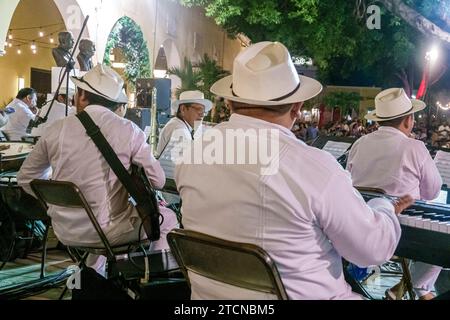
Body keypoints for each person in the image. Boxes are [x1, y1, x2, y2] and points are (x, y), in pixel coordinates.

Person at [175, 41, 413, 300]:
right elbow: (372, 250)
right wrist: (385, 208)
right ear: (297, 108)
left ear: (230, 102)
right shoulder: (314, 167)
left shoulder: (192, 153)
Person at [17, 64, 178, 275]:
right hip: (107, 231)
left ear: (83, 95)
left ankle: (94, 279)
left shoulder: (55, 129)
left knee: (105, 220)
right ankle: (146, 278)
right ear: (113, 102)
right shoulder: (128, 130)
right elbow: (157, 181)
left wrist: (56, 196)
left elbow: (26, 177)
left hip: (64, 230)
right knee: (168, 218)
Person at [346, 88, 442, 300]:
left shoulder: (360, 143)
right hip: (401, 225)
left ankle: (404, 287)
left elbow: (348, 181)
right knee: (441, 242)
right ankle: (420, 286)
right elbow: (432, 191)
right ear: (409, 120)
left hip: (361, 220)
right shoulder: (414, 147)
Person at [156, 90, 212, 158]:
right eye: (198, 109)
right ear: (183, 109)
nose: (202, 115)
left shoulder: (176, 124)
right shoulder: (180, 129)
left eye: (204, 112)